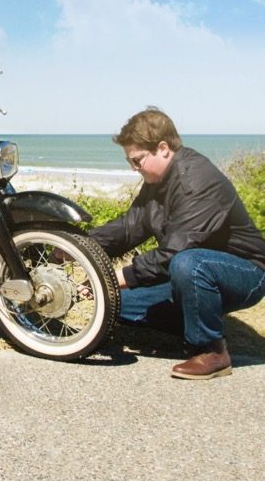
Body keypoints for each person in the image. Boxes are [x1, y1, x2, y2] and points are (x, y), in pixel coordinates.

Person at [89, 107, 265, 380]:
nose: (134, 169)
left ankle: (211, 351)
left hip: (246, 271)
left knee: (188, 263)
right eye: (130, 162)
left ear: (163, 148)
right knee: (112, 305)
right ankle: (193, 321)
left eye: (137, 160)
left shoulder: (196, 179)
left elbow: (175, 252)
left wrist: (116, 277)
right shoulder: (156, 181)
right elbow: (129, 227)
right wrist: (80, 247)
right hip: (189, 274)